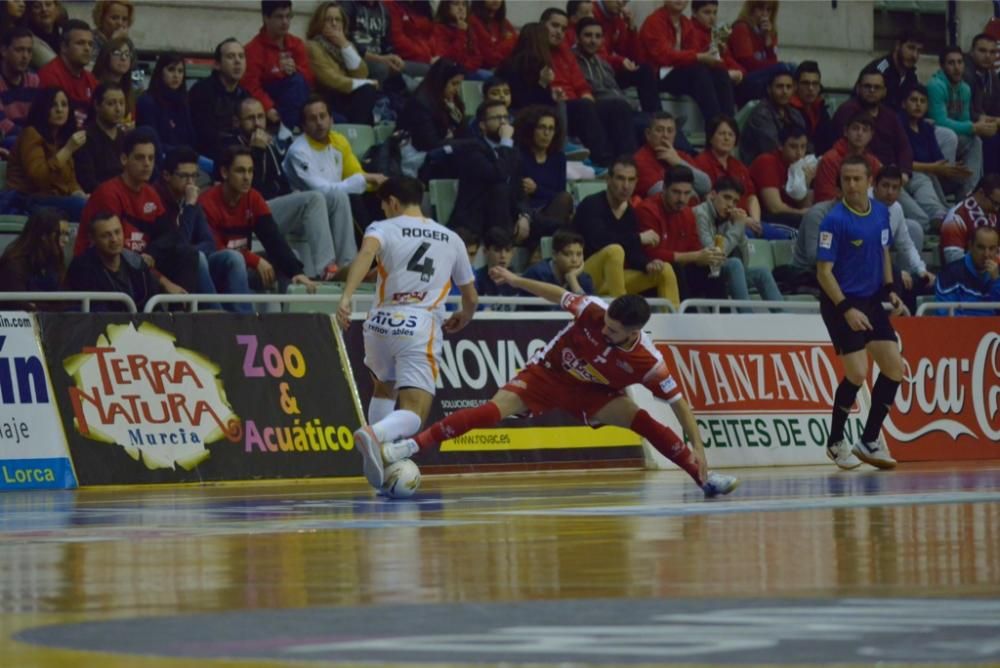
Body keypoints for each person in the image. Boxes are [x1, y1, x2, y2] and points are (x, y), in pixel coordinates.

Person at [374, 274, 740, 498]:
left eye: (613, 331)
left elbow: (680, 405)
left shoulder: (649, 361)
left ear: (633, 333)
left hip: (594, 392)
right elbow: (557, 294)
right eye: (606, 323)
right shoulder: (595, 311)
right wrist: (515, 281)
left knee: (643, 420)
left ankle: (702, 477)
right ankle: (409, 446)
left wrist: (699, 447)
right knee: (489, 412)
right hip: (547, 374)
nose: (605, 330)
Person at [335, 176, 478, 490]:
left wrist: (346, 295)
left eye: (384, 204)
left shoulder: (382, 228)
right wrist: (464, 316)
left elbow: (365, 255)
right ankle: (375, 435)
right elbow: (470, 296)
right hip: (418, 322)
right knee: (415, 412)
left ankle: (379, 458)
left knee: (384, 389)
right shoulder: (451, 238)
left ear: (393, 202)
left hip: (379, 321)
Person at [816, 155, 907, 471]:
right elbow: (824, 273)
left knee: (894, 367)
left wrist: (890, 289)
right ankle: (835, 441)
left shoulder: (882, 213)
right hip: (839, 301)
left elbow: (883, 252)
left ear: (870, 182)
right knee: (857, 372)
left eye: (857, 179)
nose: (851, 185)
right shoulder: (834, 221)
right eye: (846, 180)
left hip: (870, 301)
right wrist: (846, 309)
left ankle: (869, 439)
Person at [76, 129, 192, 296]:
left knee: (188, 255)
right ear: (124, 159)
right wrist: (164, 282)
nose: (147, 164)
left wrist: (151, 253)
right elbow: (113, 248)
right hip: (104, 267)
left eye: (151, 158)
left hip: (140, 263)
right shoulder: (108, 193)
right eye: (140, 158)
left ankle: (187, 313)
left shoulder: (151, 193)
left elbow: (169, 234)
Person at [283, 95, 388, 272]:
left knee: (376, 198)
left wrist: (379, 184)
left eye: (323, 116)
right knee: (343, 198)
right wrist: (365, 179)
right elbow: (322, 190)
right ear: (303, 126)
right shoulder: (298, 152)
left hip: (334, 206)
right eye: (312, 119)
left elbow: (356, 175)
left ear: (331, 119)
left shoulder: (338, 141)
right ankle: (348, 265)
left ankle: (364, 262)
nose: (319, 123)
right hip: (302, 214)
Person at [832, 67, 940, 231]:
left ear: (884, 91)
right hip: (876, 177)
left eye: (877, 87)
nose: (872, 91)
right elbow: (856, 150)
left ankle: (940, 216)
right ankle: (929, 226)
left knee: (922, 180)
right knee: (919, 218)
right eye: (867, 86)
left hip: (898, 172)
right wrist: (888, 174)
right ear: (858, 88)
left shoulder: (889, 115)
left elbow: (904, 147)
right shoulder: (848, 112)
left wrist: (904, 172)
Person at [200, 146, 318, 294]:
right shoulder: (207, 202)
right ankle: (244, 316)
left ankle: (289, 312)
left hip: (244, 265)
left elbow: (273, 238)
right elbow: (215, 249)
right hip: (217, 272)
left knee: (289, 258)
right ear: (224, 173)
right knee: (234, 259)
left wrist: (296, 272)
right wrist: (255, 260)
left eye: (250, 171)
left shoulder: (253, 198)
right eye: (240, 171)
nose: (247, 177)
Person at [574, 155, 680, 304]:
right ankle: (623, 313)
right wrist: (639, 238)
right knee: (615, 250)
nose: (626, 185)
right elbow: (598, 241)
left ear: (636, 182)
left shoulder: (630, 212)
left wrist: (647, 264)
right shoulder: (591, 204)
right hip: (584, 276)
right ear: (608, 179)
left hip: (613, 278)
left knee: (664, 269)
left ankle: (673, 321)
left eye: (631, 180)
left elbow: (633, 253)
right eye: (620, 178)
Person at [153, 145, 247, 311]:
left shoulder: (191, 200)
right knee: (197, 257)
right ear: (167, 176)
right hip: (166, 265)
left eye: (194, 176)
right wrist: (189, 206)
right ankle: (218, 319)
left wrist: (190, 206)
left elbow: (209, 243)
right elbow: (178, 246)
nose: (190, 182)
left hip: (193, 262)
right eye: (184, 176)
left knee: (234, 258)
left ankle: (245, 320)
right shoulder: (157, 200)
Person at [539, 7, 618, 167]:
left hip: (576, 104)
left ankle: (627, 163)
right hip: (554, 104)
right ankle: (604, 162)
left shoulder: (565, 51)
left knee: (618, 108)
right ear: (542, 25)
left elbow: (581, 85)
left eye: (563, 28)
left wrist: (586, 95)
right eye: (555, 25)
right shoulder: (535, 50)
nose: (559, 32)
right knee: (584, 107)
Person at [635, 164, 727, 301]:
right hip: (652, 273)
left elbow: (695, 248)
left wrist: (709, 257)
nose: (682, 199)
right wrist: (695, 256)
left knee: (714, 272)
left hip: (681, 273)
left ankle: (722, 319)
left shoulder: (688, 213)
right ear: (664, 189)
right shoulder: (647, 210)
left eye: (686, 193)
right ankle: (688, 318)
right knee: (676, 268)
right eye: (676, 192)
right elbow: (650, 253)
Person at [638, 0, 734, 126]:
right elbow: (664, 56)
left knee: (719, 73)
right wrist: (699, 56)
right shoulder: (654, 21)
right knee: (698, 71)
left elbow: (694, 52)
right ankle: (714, 128)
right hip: (657, 75)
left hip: (680, 72)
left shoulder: (685, 23)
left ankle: (729, 126)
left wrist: (714, 53)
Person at [693, 176, 783, 307]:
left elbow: (744, 262)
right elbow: (713, 256)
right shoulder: (700, 213)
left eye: (735, 201)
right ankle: (747, 317)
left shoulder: (729, 218)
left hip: (720, 272)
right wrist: (737, 228)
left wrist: (739, 229)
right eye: (726, 197)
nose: (730, 205)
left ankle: (784, 318)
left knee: (762, 272)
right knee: (734, 264)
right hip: (700, 271)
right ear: (713, 195)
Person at [694, 114, 784, 239]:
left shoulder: (739, 166)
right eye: (722, 134)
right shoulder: (700, 163)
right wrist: (743, 220)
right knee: (747, 236)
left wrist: (755, 221)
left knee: (782, 237)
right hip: (721, 223)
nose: (726, 138)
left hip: (747, 220)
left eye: (731, 135)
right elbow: (710, 201)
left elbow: (751, 197)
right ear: (711, 138)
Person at [5, 87, 87, 220]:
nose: (59, 110)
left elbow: (70, 181)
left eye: (64, 105)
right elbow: (39, 177)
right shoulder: (30, 134)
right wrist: (67, 149)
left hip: (53, 199)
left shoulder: (61, 138)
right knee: (80, 206)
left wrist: (79, 193)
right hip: (27, 200)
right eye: (53, 105)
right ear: (43, 108)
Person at [450, 99, 528, 237]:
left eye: (506, 117)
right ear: (482, 125)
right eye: (497, 118)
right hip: (476, 219)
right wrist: (505, 142)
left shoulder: (513, 152)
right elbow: (498, 175)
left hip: (506, 216)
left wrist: (524, 216)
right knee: (500, 188)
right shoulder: (473, 149)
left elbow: (519, 191)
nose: (503, 122)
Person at [927, 47, 993, 199]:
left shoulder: (965, 89)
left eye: (960, 62)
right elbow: (940, 121)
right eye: (951, 63)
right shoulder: (935, 85)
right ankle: (947, 181)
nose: (957, 67)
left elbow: (964, 120)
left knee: (976, 140)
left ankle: (968, 194)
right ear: (942, 66)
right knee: (951, 135)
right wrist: (973, 127)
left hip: (954, 136)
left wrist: (981, 126)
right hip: (934, 135)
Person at [572, 16, 642, 157]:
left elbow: (614, 89)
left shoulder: (603, 62)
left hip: (617, 106)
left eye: (598, 36)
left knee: (654, 122)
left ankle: (685, 154)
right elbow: (593, 90)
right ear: (577, 38)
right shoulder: (572, 60)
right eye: (588, 35)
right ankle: (629, 162)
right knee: (622, 109)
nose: (593, 41)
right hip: (593, 108)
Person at [898, 83, 970, 217]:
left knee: (962, 179)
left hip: (928, 173)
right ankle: (938, 215)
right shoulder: (897, 126)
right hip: (906, 174)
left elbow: (937, 159)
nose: (918, 105)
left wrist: (951, 169)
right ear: (903, 104)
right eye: (913, 100)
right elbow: (901, 162)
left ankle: (958, 211)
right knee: (923, 178)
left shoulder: (926, 128)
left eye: (922, 101)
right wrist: (934, 167)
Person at [66, 212, 160, 311]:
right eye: (106, 235)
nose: (114, 239)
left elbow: (156, 308)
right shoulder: (82, 268)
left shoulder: (137, 263)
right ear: (92, 239)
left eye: (117, 232)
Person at [243, 0, 315, 131]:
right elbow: (251, 87)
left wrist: (295, 69)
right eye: (279, 16)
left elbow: (309, 80)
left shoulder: (296, 43)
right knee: (296, 82)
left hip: (298, 101)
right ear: (266, 18)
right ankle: (286, 134)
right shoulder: (253, 49)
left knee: (339, 120)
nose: (285, 22)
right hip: (272, 103)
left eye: (288, 16)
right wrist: (268, 107)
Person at [872, 165, 933, 314]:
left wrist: (921, 270)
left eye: (895, 188)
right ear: (874, 185)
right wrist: (898, 273)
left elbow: (906, 244)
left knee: (918, 282)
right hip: (863, 266)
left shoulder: (897, 209)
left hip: (883, 265)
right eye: (885, 186)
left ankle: (908, 327)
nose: (890, 192)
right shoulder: (863, 204)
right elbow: (871, 250)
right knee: (898, 278)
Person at [305, 2, 378, 126]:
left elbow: (362, 73)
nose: (334, 24)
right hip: (327, 98)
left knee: (367, 93)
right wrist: (367, 82)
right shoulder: (312, 46)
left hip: (345, 96)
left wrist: (343, 44)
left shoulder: (345, 45)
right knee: (367, 89)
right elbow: (331, 80)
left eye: (337, 20)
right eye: (328, 20)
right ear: (319, 23)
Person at [397, 57, 469, 179]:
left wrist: (456, 114)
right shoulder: (419, 104)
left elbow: (463, 133)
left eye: (459, 84)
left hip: (442, 151)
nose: (457, 89)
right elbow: (429, 143)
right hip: (418, 156)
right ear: (440, 81)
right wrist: (464, 144)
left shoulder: (452, 101)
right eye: (454, 84)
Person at [514, 105, 574, 243]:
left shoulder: (558, 158)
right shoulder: (519, 156)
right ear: (531, 130)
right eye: (541, 127)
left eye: (551, 129)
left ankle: (541, 248)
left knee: (565, 199)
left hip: (551, 211)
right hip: (527, 214)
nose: (546, 133)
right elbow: (517, 195)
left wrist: (537, 190)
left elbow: (559, 193)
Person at [190, 38, 250, 163]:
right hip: (206, 158)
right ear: (217, 64)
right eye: (230, 56)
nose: (238, 61)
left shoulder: (245, 96)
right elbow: (204, 136)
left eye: (241, 56)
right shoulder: (202, 91)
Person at [595, 0, 660, 114]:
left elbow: (634, 57)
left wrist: (631, 29)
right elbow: (595, 53)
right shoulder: (591, 12)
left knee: (644, 70)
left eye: (625, 1)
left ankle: (657, 118)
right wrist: (620, 61)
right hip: (593, 74)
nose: (621, 3)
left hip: (609, 73)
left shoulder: (617, 18)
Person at [726, 0, 792, 102]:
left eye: (769, 10)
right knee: (785, 67)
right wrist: (775, 66)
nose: (765, 14)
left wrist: (768, 40)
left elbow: (773, 60)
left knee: (793, 70)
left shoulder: (770, 31)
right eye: (761, 9)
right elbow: (748, 63)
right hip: (744, 81)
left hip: (761, 79)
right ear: (751, 9)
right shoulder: (741, 27)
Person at [749, 124, 815, 226]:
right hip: (765, 218)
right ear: (780, 145)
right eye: (793, 146)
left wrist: (806, 183)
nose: (799, 153)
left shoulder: (798, 165)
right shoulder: (767, 162)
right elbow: (774, 207)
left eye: (803, 147)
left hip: (787, 216)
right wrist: (801, 213)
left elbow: (803, 205)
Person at [633, 111, 709, 199]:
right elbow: (662, 194)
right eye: (659, 130)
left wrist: (678, 162)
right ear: (648, 134)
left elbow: (705, 186)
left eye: (670, 131)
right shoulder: (639, 160)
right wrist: (695, 194)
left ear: (675, 134)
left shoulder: (679, 155)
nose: (665, 135)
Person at [136, 52, 197, 160]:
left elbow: (191, 140)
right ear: (160, 72)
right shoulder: (147, 102)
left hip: (185, 158)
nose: (176, 75)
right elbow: (151, 142)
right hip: (158, 159)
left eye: (180, 71)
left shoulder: (184, 102)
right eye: (171, 70)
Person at [0, 206, 68, 302]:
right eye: (60, 234)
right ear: (43, 236)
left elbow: (65, 302)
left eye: (67, 234)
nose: (66, 240)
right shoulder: (13, 266)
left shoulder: (55, 262)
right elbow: (20, 306)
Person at [37, 18, 96, 128]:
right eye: (80, 43)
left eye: (90, 44)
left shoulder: (91, 79)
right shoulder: (50, 76)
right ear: (64, 47)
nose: (87, 48)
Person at [738, 69, 804, 164]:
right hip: (762, 167)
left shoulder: (795, 114)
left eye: (788, 87)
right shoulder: (761, 114)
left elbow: (805, 142)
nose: (784, 91)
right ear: (769, 89)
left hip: (789, 163)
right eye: (779, 87)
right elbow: (773, 148)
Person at [813, 113, 881, 204]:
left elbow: (882, 192)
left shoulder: (873, 162)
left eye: (865, 130)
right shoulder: (830, 159)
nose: (860, 133)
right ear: (845, 131)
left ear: (871, 135)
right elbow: (825, 197)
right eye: (855, 128)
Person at [934, 226, 1000, 315]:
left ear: (997, 250)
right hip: (961, 327)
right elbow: (945, 316)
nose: (986, 254)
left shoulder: (997, 275)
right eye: (981, 247)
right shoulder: (950, 273)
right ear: (970, 246)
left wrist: (996, 282)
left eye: (991, 248)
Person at [73, 82, 126, 193]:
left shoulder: (125, 136)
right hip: (101, 197)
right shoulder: (85, 137)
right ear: (97, 105)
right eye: (111, 104)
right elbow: (88, 182)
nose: (118, 109)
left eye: (122, 103)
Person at [939, 174, 1000, 265]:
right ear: (981, 193)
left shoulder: (990, 212)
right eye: (995, 203)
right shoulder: (956, 218)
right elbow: (955, 262)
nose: (997, 209)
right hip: (963, 276)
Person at [520, 227, 594, 297]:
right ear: (554, 255)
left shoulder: (584, 279)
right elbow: (548, 309)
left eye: (579, 254)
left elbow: (590, 309)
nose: (574, 260)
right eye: (567, 254)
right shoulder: (536, 275)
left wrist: (572, 280)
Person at [964, 33, 1000, 175]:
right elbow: (967, 111)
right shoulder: (965, 73)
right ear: (972, 51)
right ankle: (991, 187)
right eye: (982, 51)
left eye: (992, 52)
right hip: (965, 123)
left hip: (986, 123)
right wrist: (993, 120)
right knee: (993, 140)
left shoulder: (991, 74)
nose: (987, 56)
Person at [0, 26, 38, 148]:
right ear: (4, 51)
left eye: (29, 51)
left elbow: (40, 117)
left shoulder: (33, 80)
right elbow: (2, 124)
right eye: (19, 50)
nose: (25, 56)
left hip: (29, 139)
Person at [789, 60, 835, 155]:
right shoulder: (788, 109)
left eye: (815, 84)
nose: (811, 88)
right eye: (805, 83)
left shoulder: (821, 108)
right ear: (796, 85)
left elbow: (830, 141)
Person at [433, 0, 488, 79]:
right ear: (446, 7)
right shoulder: (439, 29)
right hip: (448, 72)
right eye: (456, 4)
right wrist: (461, 33)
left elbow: (478, 57)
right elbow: (447, 58)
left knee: (491, 78)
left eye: (464, 4)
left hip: (467, 70)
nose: (461, 8)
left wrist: (465, 67)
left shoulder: (468, 29)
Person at [866, 33, 921, 109]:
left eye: (919, 51)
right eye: (911, 48)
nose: (915, 55)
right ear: (897, 45)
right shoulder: (879, 71)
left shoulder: (911, 76)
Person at [91, 35, 136, 124]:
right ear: (106, 56)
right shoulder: (93, 84)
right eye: (117, 53)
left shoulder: (129, 91)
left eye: (127, 54)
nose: (123, 58)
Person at [474, 225, 519, 309]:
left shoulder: (519, 281)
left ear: (513, 253)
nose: (503, 255)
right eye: (497, 250)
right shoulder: (475, 280)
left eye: (507, 250)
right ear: (485, 252)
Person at [385, 0, 437, 69]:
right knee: (435, 72)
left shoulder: (422, 5)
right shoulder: (391, 4)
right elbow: (397, 40)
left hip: (427, 58)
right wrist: (427, 57)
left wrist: (435, 55)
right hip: (401, 60)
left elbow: (431, 35)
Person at [469, 0, 517, 70]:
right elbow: (490, 57)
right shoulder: (474, 21)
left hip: (502, 67)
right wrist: (510, 41)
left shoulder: (504, 22)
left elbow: (518, 46)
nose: (496, 0)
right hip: (481, 69)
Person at [25, 0, 64, 65]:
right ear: (29, 12)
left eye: (48, 4)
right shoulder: (28, 40)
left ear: (57, 8)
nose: (44, 9)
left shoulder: (64, 33)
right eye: (37, 6)